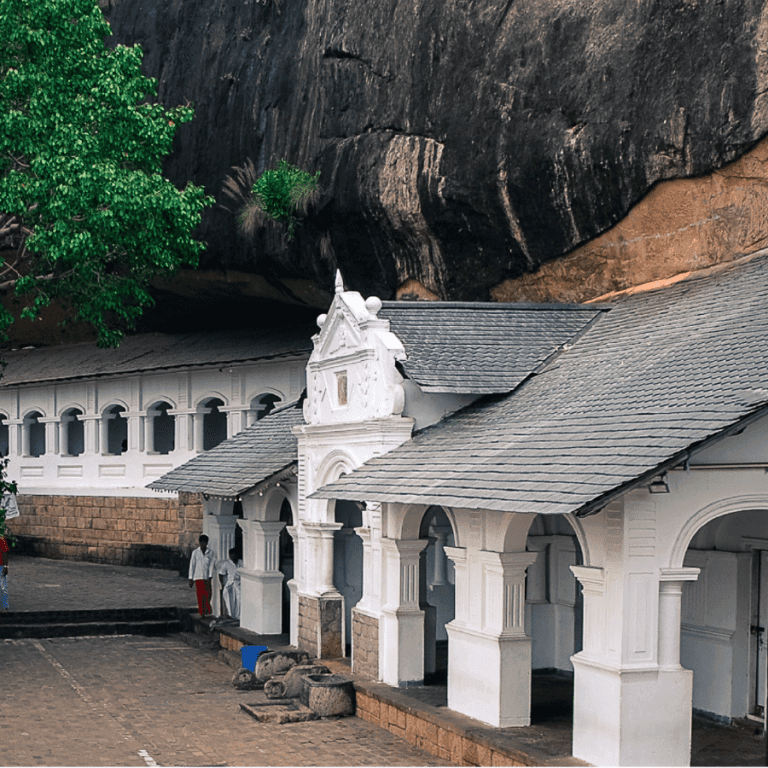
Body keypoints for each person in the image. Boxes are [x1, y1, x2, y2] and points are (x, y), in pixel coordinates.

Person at [188, 534, 215, 616]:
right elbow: (192, 565)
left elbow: (211, 564)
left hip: (206, 577)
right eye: (202, 542)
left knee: (208, 594)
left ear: (207, 543)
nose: (203, 544)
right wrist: (191, 578)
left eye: (205, 543)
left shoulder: (211, 553)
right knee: (200, 596)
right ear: (199, 543)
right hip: (198, 577)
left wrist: (210, 575)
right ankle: (202, 612)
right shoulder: (195, 553)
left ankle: (207, 610)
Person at [218, 548, 242, 622]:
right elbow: (221, 574)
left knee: (239, 600)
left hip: (239, 584)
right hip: (230, 584)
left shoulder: (241, 562)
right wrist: (222, 583)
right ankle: (231, 615)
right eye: (231, 556)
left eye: (234, 556)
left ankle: (238, 616)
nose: (233, 558)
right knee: (229, 599)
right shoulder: (227, 563)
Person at [0, 533, 9, 611]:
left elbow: (5, 553)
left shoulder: (1, 539)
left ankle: (5, 606)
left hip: (1, 566)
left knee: (3, 587)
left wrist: (6, 566)